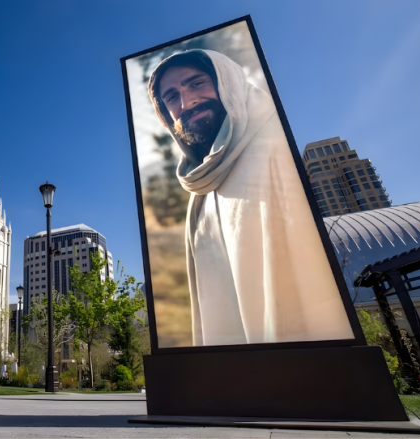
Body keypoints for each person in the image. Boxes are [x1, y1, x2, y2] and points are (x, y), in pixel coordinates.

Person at [147, 50, 354, 346]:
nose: (187, 101)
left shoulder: (272, 141)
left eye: (196, 83)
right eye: (171, 97)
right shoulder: (200, 191)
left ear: (225, 81)